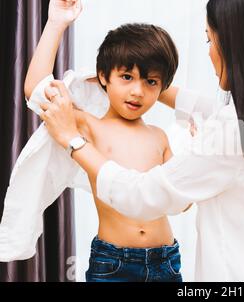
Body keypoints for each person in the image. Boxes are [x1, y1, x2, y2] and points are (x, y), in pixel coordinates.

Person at [40, 0, 244, 281]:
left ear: (237, 45)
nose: (209, 52)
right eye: (126, 77)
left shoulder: (229, 132)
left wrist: (72, 140)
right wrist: (143, 80)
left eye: (210, 39)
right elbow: (37, 92)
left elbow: (142, 195)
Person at [10, 0, 186, 282]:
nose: (137, 91)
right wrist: (56, 22)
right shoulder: (87, 125)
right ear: (103, 77)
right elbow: (36, 90)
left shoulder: (159, 136)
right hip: (113, 262)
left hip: (166, 260)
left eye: (151, 82)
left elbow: (182, 200)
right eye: (127, 77)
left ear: (163, 87)